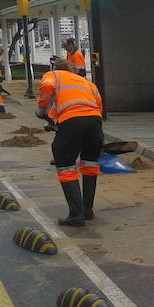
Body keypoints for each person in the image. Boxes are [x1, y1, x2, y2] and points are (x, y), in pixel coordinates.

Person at [36, 59, 103, 226]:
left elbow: (47, 87)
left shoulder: (54, 75)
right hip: (95, 121)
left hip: (73, 121)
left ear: (56, 68)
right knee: (90, 164)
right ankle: (87, 209)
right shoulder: (85, 82)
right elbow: (98, 103)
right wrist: (52, 119)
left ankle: (76, 214)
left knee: (65, 164)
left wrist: (41, 108)